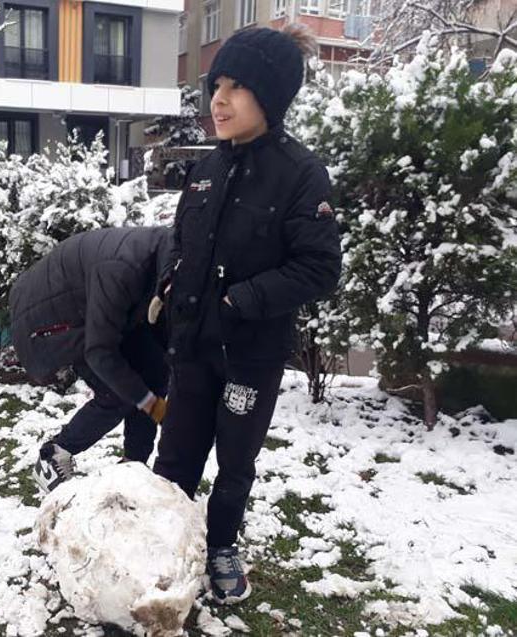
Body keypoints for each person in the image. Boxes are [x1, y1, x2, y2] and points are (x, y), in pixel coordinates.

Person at [150, 25, 342, 604]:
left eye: (237, 87)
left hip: (248, 358)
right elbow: (182, 243)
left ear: (272, 96)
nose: (219, 100)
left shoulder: (301, 175)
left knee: (235, 459)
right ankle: (164, 538)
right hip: (191, 348)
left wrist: (240, 301)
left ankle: (221, 544)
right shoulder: (205, 169)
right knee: (176, 453)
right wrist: (168, 283)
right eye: (217, 85)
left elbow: (318, 269)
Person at [9, 226, 172, 493]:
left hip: (88, 309)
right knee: (117, 393)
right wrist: (153, 406)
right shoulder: (123, 268)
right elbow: (100, 352)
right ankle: (53, 457)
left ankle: (133, 467)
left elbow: (161, 348)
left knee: (151, 369)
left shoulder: (168, 257)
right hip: (46, 319)